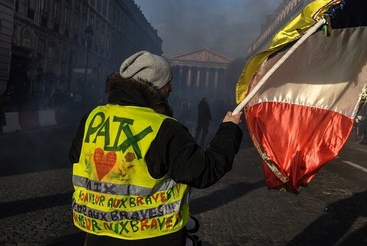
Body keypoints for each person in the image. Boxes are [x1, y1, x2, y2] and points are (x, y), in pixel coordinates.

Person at [69, 51, 243, 246]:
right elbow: (205, 171)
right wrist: (229, 129)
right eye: (168, 81)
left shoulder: (93, 118)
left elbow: (76, 158)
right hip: (152, 234)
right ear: (157, 85)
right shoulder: (165, 128)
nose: (171, 88)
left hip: (97, 232)